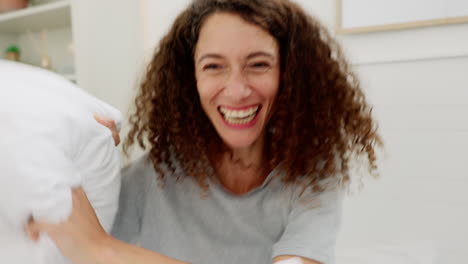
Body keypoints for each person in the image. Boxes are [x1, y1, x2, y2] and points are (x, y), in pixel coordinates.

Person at [26, 0, 382, 263]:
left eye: (258, 64)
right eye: (214, 66)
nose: (237, 90)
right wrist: (83, 156)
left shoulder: (311, 170)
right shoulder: (155, 176)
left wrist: (99, 249)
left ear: (289, 75)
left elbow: (94, 246)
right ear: (189, 78)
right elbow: (51, 223)